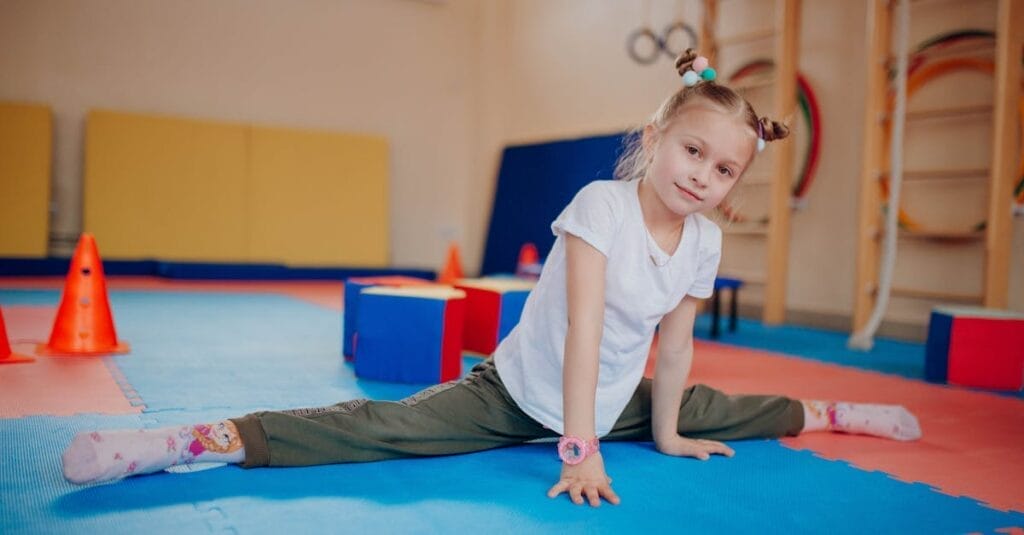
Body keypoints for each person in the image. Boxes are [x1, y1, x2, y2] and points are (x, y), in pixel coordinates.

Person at [62, 50, 921, 506]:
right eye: (694, 150)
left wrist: (661, 435)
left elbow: (677, 347)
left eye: (726, 169)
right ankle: (189, 443)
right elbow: (583, 332)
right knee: (381, 426)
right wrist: (577, 450)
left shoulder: (700, 244)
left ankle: (837, 412)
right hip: (520, 389)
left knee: (713, 407)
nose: (703, 176)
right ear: (658, 137)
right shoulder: (600, 206)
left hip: (616, 392)